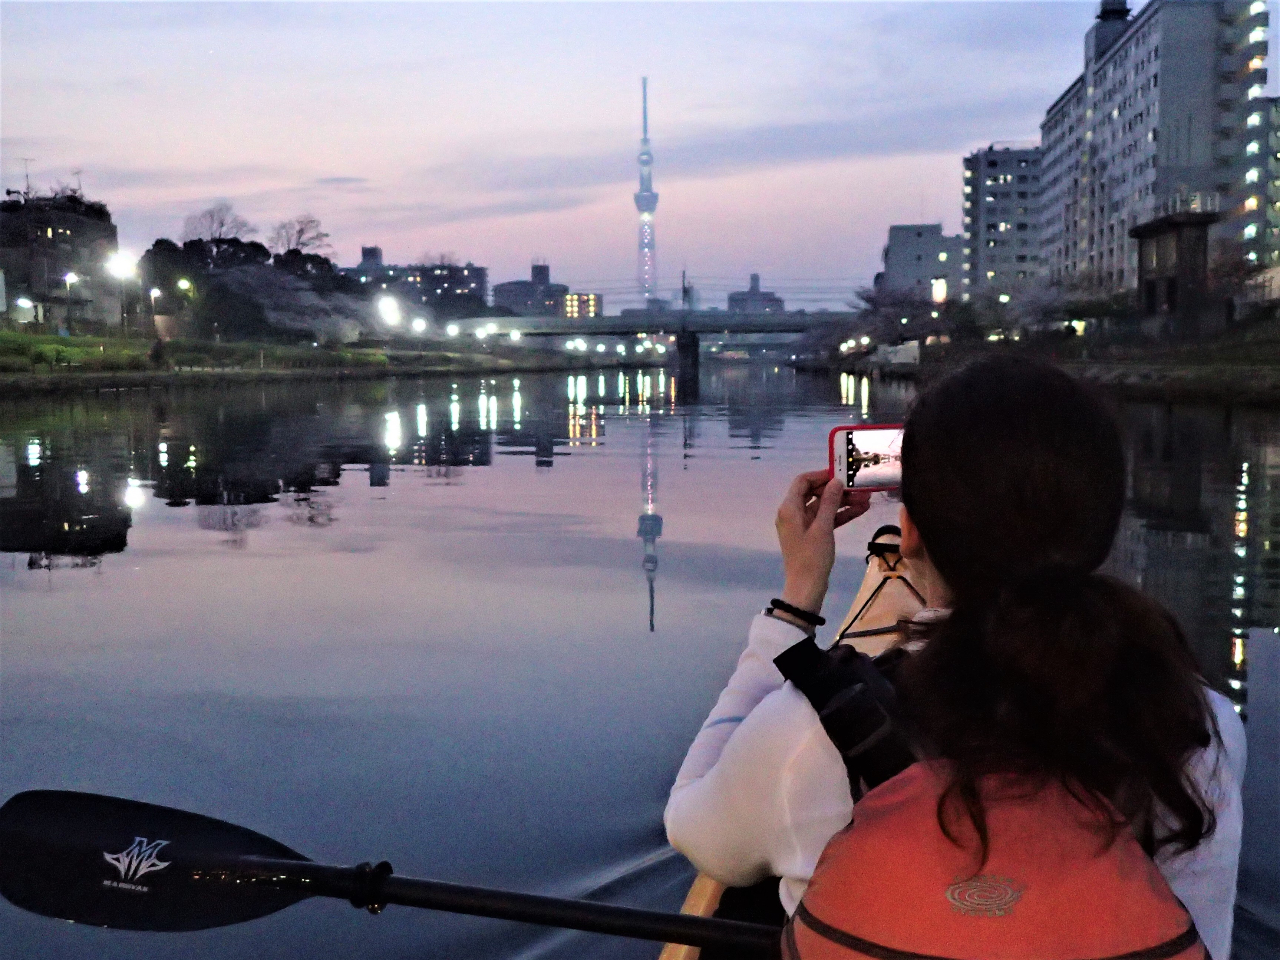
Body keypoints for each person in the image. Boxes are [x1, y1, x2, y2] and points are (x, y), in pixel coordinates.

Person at [664, 357, 1245, 960]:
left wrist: (793, 609)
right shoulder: (1194, 724)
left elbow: (695, 833)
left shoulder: (810, 734)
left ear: (909, 530)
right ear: (1105, 525)